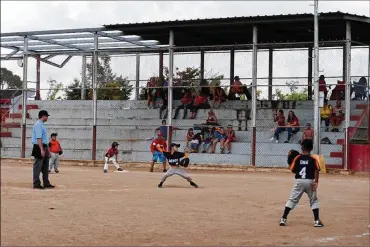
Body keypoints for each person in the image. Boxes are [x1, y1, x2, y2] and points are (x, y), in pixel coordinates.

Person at [279, 139, 324, 227]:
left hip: (299, 181)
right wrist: (316, 182)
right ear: (311, 148)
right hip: (310, 181)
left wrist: (289, 162)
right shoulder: (313, 158)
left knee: (292, 199)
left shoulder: (297, 158)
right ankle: (316, 221)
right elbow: (317, 170)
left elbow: (292, 170)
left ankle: (283, 219)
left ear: (302, 147)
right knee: (314, 200)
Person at [31, 110, 55, 189]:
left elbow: (44, 139)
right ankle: (36, 183)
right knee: (38, 166)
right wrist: (41, 149)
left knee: (45, 166)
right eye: (46, 116)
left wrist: (47, 148)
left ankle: (46, 182)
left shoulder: (41, 125)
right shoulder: (38, 125)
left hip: (44, 146)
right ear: (43, 116)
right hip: (39, 146)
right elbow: (38, 138)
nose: (47, 117)